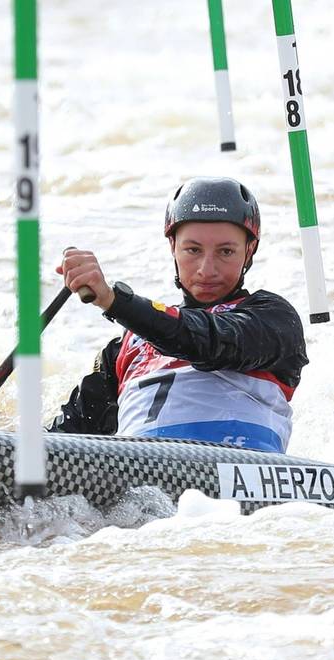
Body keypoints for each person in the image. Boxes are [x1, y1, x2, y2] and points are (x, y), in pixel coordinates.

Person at [47, 177, 308, 453]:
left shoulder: (274, 318)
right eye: (193, 250)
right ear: (173, 246)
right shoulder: (123, 347)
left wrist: (115, 302)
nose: (207, 270)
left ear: (249, 250)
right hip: (140, 471)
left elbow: (206, 340)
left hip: (239, 466)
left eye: (226, 251)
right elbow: (65, 438)